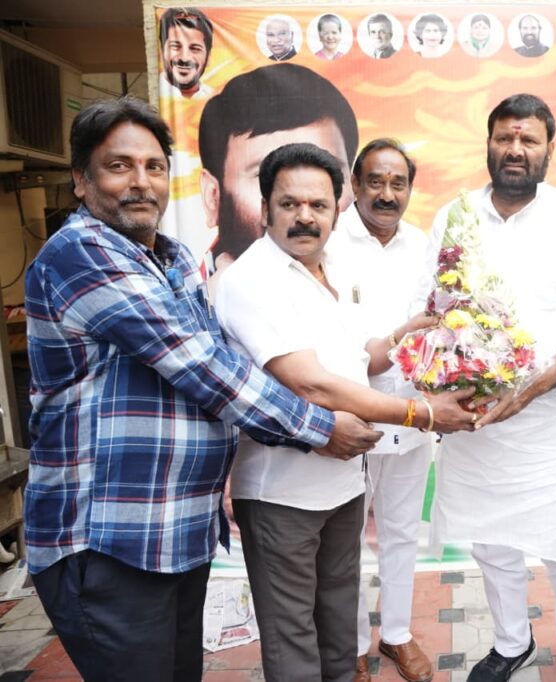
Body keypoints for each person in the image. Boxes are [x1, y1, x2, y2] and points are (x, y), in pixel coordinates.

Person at [23, 97, 374, 682]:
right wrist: (321, 429)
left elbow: (224, 366)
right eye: (119, 166)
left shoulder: (176, 259)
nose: (141, 182)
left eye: (154, 167)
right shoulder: (80, 252)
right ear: (81, 180)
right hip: (109, 538)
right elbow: (203, 367)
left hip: (176, 532)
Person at [215, 142, 476, 682]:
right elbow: (309, 381)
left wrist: (408, 336)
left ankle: (381, 644)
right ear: (265, 209)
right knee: (295, 641)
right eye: (289, 204)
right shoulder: (252, 279)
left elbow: (365, 357)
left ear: (335, 208)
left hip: (343, 485)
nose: (305, 217)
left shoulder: (329, 269)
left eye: (317, 205)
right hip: (283, 493)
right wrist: (424, 413)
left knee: (338, 632)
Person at [426, 93, 556, 682]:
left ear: (549, 149)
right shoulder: (454, 216)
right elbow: (434, 306)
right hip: (479, 421)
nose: (515, 149)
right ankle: (513, 643)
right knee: (492, 544)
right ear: (488, 144)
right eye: (505, 137)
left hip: (554, 422)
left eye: (528, 139)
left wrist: (533, 386)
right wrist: (442, 374)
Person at [329, 139, 436, 682]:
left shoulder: (423, 246)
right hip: (352, 419)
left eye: (399, 183)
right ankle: (349, 645)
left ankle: (396, 633)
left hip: (413, 416)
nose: (387, 194)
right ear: (355, 185)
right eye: (376, 181)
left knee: (401, 532)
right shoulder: (330, 243)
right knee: (345, 542)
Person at [197, 63, 359, 291]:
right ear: (213, 197)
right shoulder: (213, 297)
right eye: (267, 173)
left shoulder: (366, 276)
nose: (305, 215)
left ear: (353, 188)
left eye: (324, 172)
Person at [158, 7, 213, 100]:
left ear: (208, 57)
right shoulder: (154, 92)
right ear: (161, 51)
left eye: (195, 48)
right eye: (175, 46)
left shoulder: (215, 98)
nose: (184, 58)